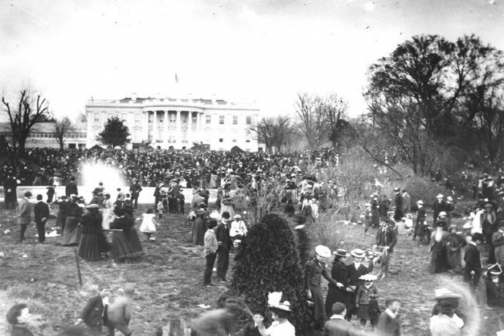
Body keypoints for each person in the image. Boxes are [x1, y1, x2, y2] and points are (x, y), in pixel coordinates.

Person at [305, 245, 339, 329]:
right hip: (312, 286)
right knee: (317, 304)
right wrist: (308, 290)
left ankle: (319, 324)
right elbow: (307, 278)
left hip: (317, 286)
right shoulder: (310, 264)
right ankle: (316, 323)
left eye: (323, 257)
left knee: (320, 305)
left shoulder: (322, 264)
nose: (321, 258)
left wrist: (335, 283)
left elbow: (326, 275)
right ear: (316, 255)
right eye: (320, 256)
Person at [325, 249, 349, 319]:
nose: (346, 259)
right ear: (340, 258)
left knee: (331, 306)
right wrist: (346, 289)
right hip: (339, 289)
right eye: (344, 257)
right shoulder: (342, 267)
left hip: (333, 287)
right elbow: (342, 280)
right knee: (338, 306)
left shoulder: (335, 264)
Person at [346, 249, 369, 321]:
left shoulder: (364, 268)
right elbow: (346, 278)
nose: (358, 259)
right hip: (350, 288)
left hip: (359, 288)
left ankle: (358, 317)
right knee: (349, 303)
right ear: (354, 257)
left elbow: (365, 280)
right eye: (356, 257)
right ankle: (348, 317)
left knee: (357, 302)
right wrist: (349, 285)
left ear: (362, 258)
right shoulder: (349, 267)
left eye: (359, 258)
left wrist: (358, 286)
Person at [215, 211, 231, 282]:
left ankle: (223, 275)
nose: (226, 219)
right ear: (222, 218)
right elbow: (215, 237)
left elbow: (228, 237)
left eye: (227, 218)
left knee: (226, 262)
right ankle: (219, 276)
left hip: (226, 247)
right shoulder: (219, 227)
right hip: (221, 247)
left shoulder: (227, 227)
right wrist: (217, 244)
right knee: (221, 261)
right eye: (225, 218)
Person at [204, 219, 219, 287]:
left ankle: (208, 281)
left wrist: (217, 243)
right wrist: (213, 251)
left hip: (211, 252)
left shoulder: (211, 232)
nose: (217, 227)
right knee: (209, 268)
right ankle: (206, 283)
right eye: (216, 225)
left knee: (210, 267)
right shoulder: (210, 234)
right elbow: (207, 246)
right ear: (214, 226)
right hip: (210, 253)